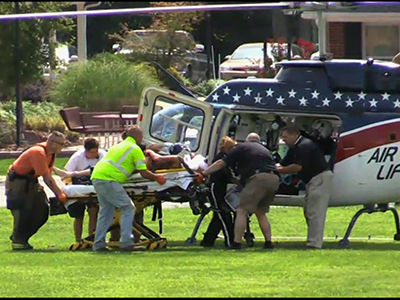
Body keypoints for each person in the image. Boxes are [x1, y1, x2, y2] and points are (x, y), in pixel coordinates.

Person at [90, 125, 166, 252]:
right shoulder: (135, 149)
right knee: (128, 207)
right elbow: (143, 172)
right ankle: (126, 243)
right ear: (138, 136)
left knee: (106, 212)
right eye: (141, 136)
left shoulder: (118, 146)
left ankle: (98, 244)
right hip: (109, 179)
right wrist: (157, 177)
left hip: (97, 177)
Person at [199, 133, 280, 250]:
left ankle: (236, 243)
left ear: (247, 141)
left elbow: (221, 163)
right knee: (260, 212)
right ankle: (268, 242)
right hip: (274, 179)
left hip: (258, 177)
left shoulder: (243, 147)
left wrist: (204, 173)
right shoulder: (265, 150)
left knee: (241, 211)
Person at [5, 131, 68, 250]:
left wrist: (58, 192)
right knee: (22, 210)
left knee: (42, 210)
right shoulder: (38, 152)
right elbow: (47, 179)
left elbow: (48, 174)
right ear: (52, 142)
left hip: (31, 181)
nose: (62, 146)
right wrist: (60, 194)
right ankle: (18, 241)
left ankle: (21, 237)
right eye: (61, 144)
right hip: (17, 181)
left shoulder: (51, 154)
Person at [276, 125, 333, 249]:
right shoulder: (295, 147)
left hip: (319, 178)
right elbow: (284, 162)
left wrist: (280, 170)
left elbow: (297, 167)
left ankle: (314, 244)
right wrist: (275, 165)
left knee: (315, 212)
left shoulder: (304, 145)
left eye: (285, 137)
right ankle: (313, 240)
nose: (283, 140)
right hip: (312, 180)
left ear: (294, 135)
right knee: (309, 211)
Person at [53, 138, 106, 247]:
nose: (95, 154)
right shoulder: (77, 157)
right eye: (92, 152)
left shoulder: (102, 156)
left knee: (93, 211)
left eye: (96, 151)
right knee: (78, 215)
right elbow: (66, 175)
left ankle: (91, 238)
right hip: (79, 186)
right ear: (85, 150)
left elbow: (98, 170)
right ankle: (78, 240)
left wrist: (73, 174)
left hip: (94, 185)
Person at [200, 136, 237, 248]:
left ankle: (208, 240)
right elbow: (226, 175)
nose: (232, 150)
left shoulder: (225, 157)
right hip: (215, 187)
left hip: (220, 187)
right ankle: (230, 241)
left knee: (218, 215)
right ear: (224, 148)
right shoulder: (221, 159)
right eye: (230, 148)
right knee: (222, 214)